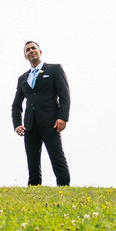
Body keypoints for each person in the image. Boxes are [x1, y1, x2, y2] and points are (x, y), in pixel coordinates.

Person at [12, 41, 71, 186]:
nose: (31, 51)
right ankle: (34, 189)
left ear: (40, 52)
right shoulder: (22, 78)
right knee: (32, 161)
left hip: (50, 122)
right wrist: (17, 124)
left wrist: (62, 117)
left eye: (33, 48)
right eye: (27, 50)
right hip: (30, 126)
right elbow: (16, 104)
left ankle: (64, 188)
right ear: (25, 56)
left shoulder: (55, 69)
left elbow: (65, 96)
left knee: (57, 157)